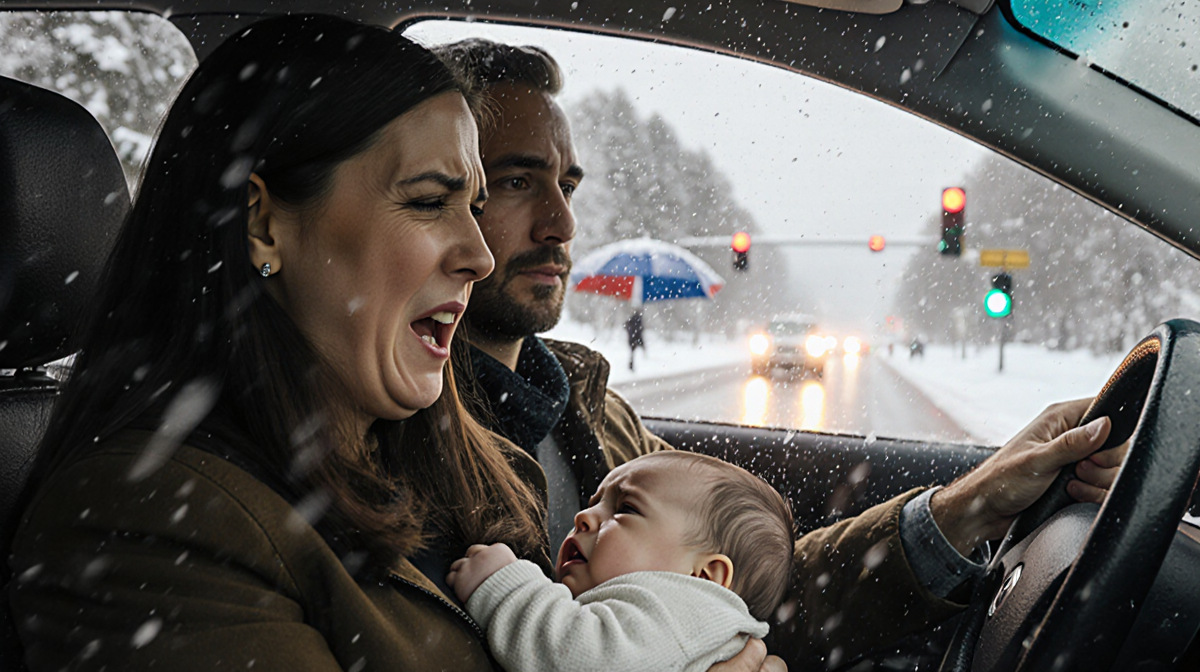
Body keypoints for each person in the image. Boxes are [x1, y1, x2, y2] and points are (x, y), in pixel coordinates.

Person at [433, 38, 1126, 671]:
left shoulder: (589, 405)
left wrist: (975, 503)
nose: (563, 222)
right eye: (518, 182)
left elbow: (735, 592)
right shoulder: (395, 434)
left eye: (568, 185)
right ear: (441, 194)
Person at [7, 16, 547, 671]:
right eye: (431, 201)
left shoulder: (460, 468)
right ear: (263, 223)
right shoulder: (149, 525)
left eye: (476, 207)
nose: (480, 256)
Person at [446, 451, 794, 672]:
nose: (583, 515)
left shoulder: (683, 613)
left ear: (705, 576)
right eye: (594, 501)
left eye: (625, 509)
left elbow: (577, 657)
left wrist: (507, 588)